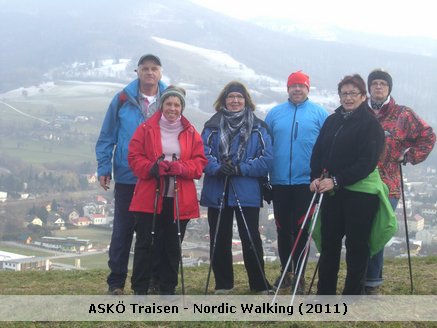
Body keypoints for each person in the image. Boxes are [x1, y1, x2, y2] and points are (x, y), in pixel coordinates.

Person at [95, 54, 166, 295]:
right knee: (123, 231)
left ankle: (151, 281)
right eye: (144, 68)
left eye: (153, 69)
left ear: (160, 72)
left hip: (158, 176)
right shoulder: (122, 99)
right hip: (127, 175)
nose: (149, 73)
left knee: (154, 233)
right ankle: (116, 283)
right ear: (137, 72)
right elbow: (107, 135)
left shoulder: (170, 99)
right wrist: (104, 167)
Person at [310, 74, 385, 295]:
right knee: (329, 244)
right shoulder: (332, 121)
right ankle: (325, 294)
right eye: (344, 93)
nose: (348, 97)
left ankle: (352, 295)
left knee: (356, 247)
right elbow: (318, 152)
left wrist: (336, 180)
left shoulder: (370, 124)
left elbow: (367, 163)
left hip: (360, 195)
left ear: (363, 96)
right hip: (331, 193)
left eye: (353, 93)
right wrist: (315, 177)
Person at [128, 86, 207, 295]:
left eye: (177, 104)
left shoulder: (191, 132)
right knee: (146, 244)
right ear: (162, 105)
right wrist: (152, 168)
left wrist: (183, 168)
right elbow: (134, 158)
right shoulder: (146, 129)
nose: (172, 108)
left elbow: (200, 162)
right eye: (169, 103)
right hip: (150, 197)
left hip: (179, 198)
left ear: (182, 107)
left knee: (173, 246)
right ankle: (140, 289)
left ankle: (167, 288)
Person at [365, 69, 436, 294]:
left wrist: (408, 156)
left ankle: (372, 282)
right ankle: (358, 278)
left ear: (389, 88)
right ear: (368, 88)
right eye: (374, 83)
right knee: (359, 233)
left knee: (378, 232)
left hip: (389, 184)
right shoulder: (359, 111)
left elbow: (428, 135)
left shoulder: (403, 114)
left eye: (382, 84)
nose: (378, 87)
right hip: (360, 183)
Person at [200, 81, 273, 294]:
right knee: (219, 237)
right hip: (218, 188)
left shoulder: (259, 127)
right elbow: (201, 153)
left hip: (246, 190)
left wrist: (241, 169)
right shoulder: (212, 125)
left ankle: (259, 284)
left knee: (250, 237)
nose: (235, 101)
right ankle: (223, 284)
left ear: (246, 101)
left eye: (239, 97)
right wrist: (217, 167)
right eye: (231, 97)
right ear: (224, 101)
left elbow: (267, 158)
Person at [265, 71, 328, 293]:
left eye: (301, 86)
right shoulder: (274, 114)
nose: (297, 89)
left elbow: (327, 148)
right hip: (280, 181)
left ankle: (299, 275)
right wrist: (265, 179)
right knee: (283, 229)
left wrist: (323, 176)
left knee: (302, 230)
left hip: (307, 182)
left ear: (308, 89)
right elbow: (265, 148)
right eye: (293, 86)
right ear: (287, 89)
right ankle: (286, 272)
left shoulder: (320, 114)